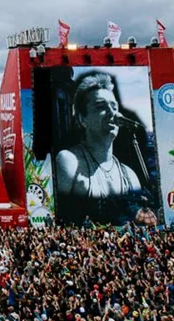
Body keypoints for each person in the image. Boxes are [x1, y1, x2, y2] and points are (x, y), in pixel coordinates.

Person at [55, 73, 154, 225]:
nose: (112, 113)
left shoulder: (130, 175)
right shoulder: (69, 161)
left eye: (114, 107)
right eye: (101, 107)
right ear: (82, 119)